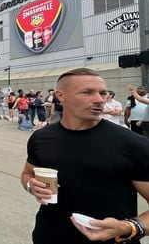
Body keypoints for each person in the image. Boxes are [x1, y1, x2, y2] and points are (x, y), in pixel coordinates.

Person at [21, 68, 149, 244]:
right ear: (61, 96)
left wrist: (128, 227)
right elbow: (28, 173)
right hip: (48, 236)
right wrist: (30, 186)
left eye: (102, 93)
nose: (99, 100)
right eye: (87, 92)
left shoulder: (132, 143)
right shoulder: (41, 138)